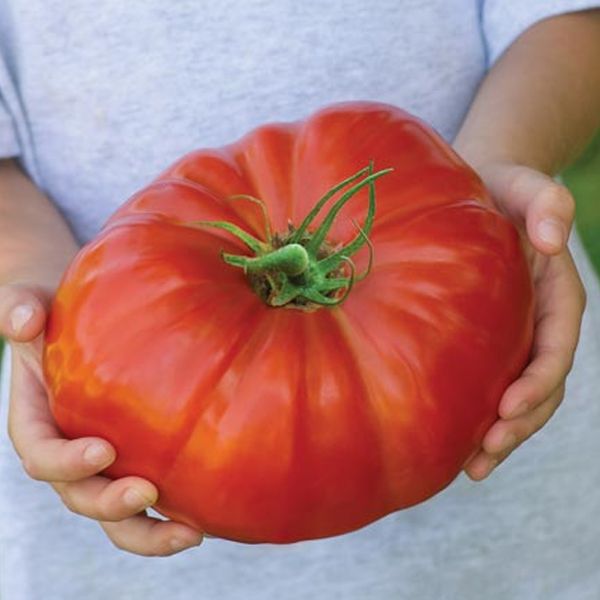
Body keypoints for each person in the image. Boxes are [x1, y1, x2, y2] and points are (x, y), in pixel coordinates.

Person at [0, 1, 599, 598]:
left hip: (517, 466)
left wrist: (499, 166)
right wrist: (58, 311)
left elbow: (576, 17)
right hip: (107, 502)